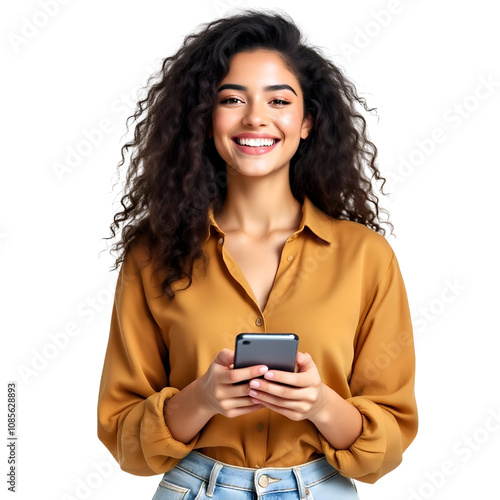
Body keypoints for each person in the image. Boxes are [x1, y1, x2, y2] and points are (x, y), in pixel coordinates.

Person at [97, 9, 418, 499]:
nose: (255, 118)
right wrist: (202, 399)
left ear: (307, 121)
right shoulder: (152, 255)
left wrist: (320, 404)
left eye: (278, 100)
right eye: (231, 99)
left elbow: (387, 449)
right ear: (206, 121)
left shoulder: (366, 257)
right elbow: (125, 441)